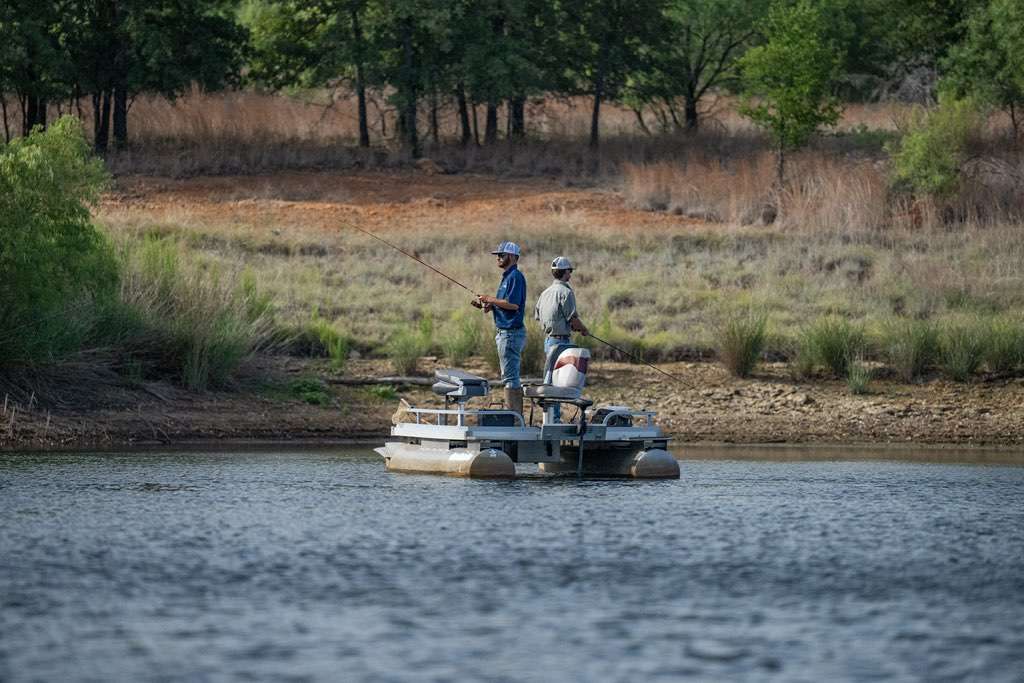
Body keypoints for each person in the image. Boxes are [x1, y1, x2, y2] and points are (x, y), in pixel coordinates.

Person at [471, 241, 527, 417]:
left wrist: (491, 299)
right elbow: (504, 304)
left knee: (510, 379)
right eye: (497, 255)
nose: (498, 258)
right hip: (505, 333)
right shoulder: (507, 277)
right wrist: (488, 305)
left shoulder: (515, 277)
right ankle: (515, 417)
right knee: (509, 377)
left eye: (501, 255)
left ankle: (515, 419)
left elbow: (514, 305)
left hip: (510, 333)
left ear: (511, 257)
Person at [534, 256, 589, 420]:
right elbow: (572, 319)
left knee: (550, 379)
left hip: (549, 340)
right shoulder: (566, 292)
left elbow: (539, 316)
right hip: (562, 343)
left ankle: (550, 416)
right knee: (558, 382)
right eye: (570, 271)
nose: (570, 274)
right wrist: (584, 330)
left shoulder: (545, 293)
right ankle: (555, 417)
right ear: (565, 272)